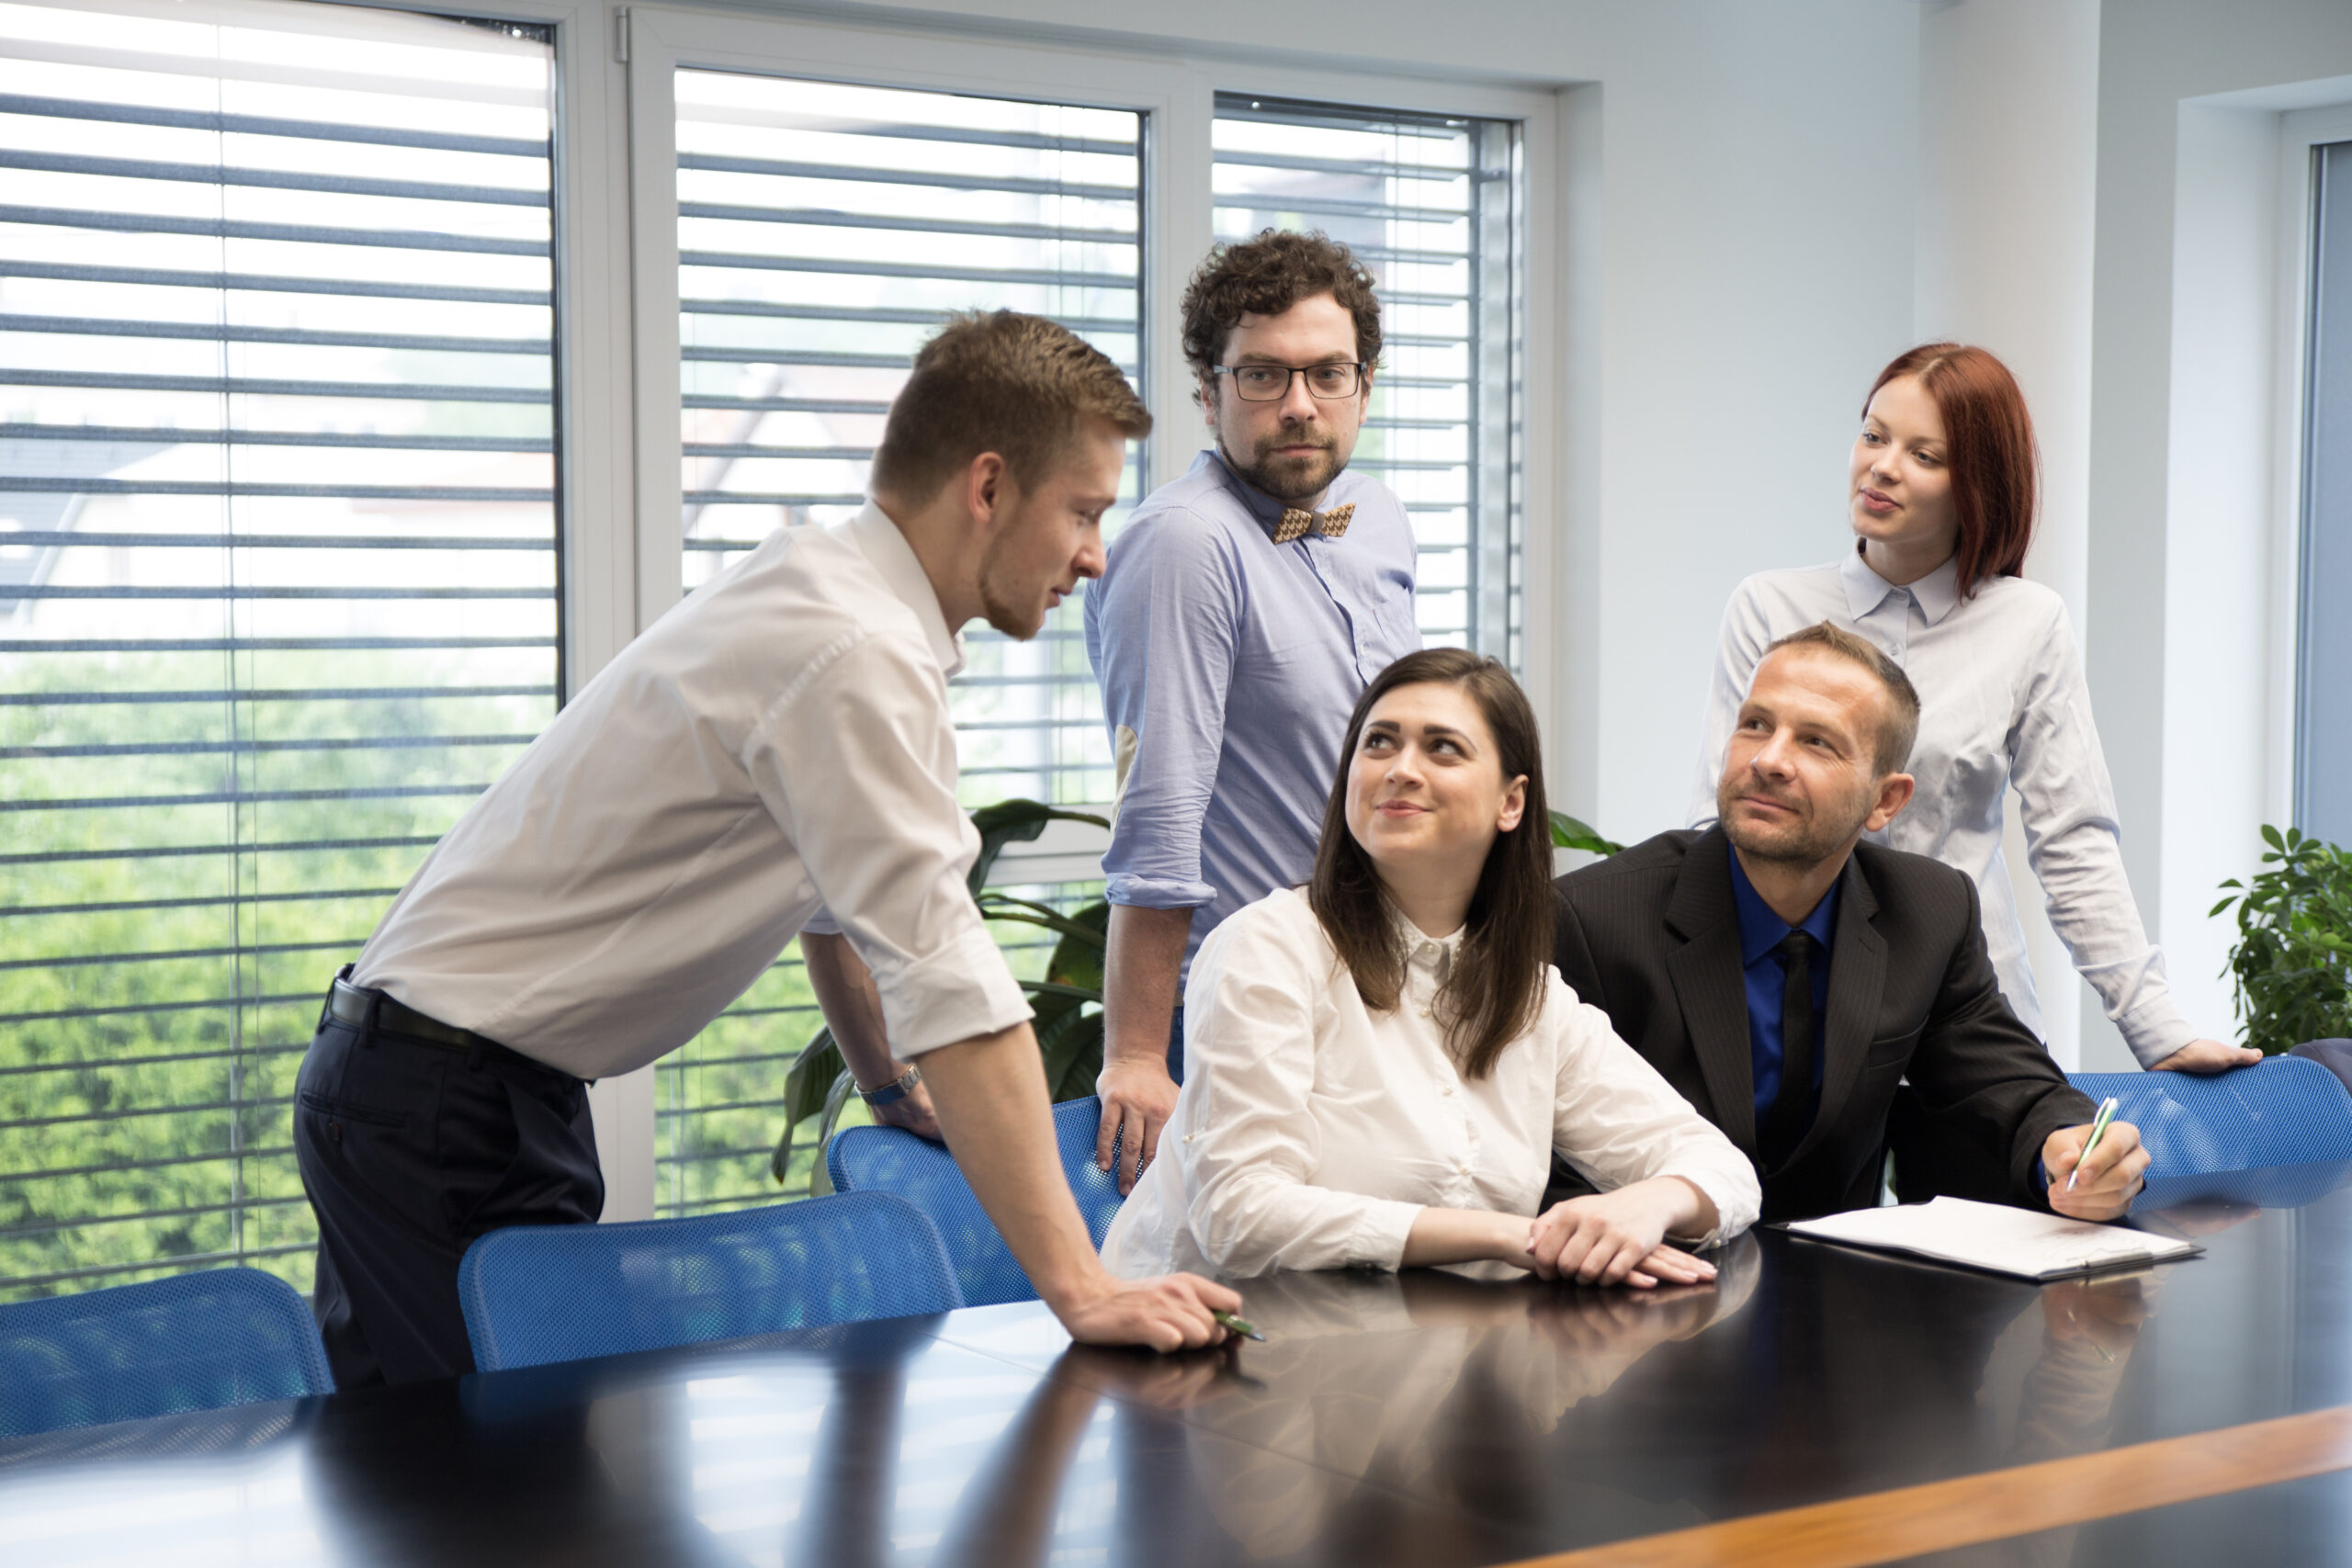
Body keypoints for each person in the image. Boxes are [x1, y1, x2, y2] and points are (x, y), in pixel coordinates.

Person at [293, 311, 1240, 1387]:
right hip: (444, 1099)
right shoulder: (852, 649)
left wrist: (883, 1083)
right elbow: (952, 986)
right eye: (1083, 511)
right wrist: (1085, 1288)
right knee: (493, 1471)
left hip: (435, 1082)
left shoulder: (822, 592)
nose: (1095, 555)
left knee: (432, 1461)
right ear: (987, 487)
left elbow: (832, 899)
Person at [1102, 649, 1760, 1286]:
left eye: (1443, 748)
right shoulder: (1268, 947)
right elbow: (1238, 1214)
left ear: (1511, 802)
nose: (1401, 769)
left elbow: (1721, 1168)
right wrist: (1516, 1236)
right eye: (1379, 743)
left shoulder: (1532, 998)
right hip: (1215, 1337)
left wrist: (1648, 1205)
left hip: (1428, 1342)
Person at [1689, 343, 2256, 1075]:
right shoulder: (1769, 605)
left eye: (1924, 455)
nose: (1882, 467)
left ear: (1978, 485)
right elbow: (1717, 817)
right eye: (1873, 435)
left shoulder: (2029, 623)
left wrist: (2158, 1029)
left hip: (1966, 1004)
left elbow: (2073, 840)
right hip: (1793, 1001)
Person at [1560, 623, 2149, 1222]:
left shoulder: (1927, 910)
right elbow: (1542, 1159)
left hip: (1839, 1271)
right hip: (1646, 1266)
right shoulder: (1592, 919)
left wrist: (2071, 1147)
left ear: (1885, 801)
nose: (1768, 759)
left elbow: (2004, 1084)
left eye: (1816, 741)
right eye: (1756, 724)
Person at [1084, 230, 1421, 1193]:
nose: (1299, 405)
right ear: (1209, 390)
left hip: (1374, 992)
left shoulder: (1378, 518)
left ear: (1365, 385)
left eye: (1327, 374)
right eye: (1263, 375)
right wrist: (1137, 1055)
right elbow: (1159, 810)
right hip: (1240, 1013)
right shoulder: (1184, 543)